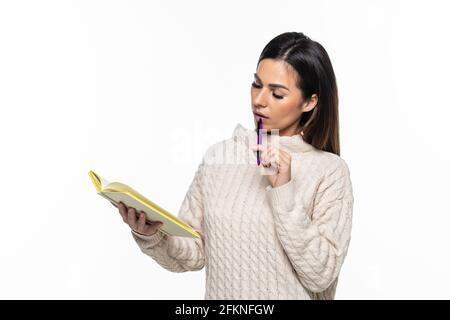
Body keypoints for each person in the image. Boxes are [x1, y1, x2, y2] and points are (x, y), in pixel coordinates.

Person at [113, 32, 354, 300]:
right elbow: (193, 254)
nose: (259, 100)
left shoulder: (330, 172)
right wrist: (153, 235)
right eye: (256, 84)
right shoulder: (219, 157)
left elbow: (320, 275)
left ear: (310, 101)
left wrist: (284, 190)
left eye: (277, 93)